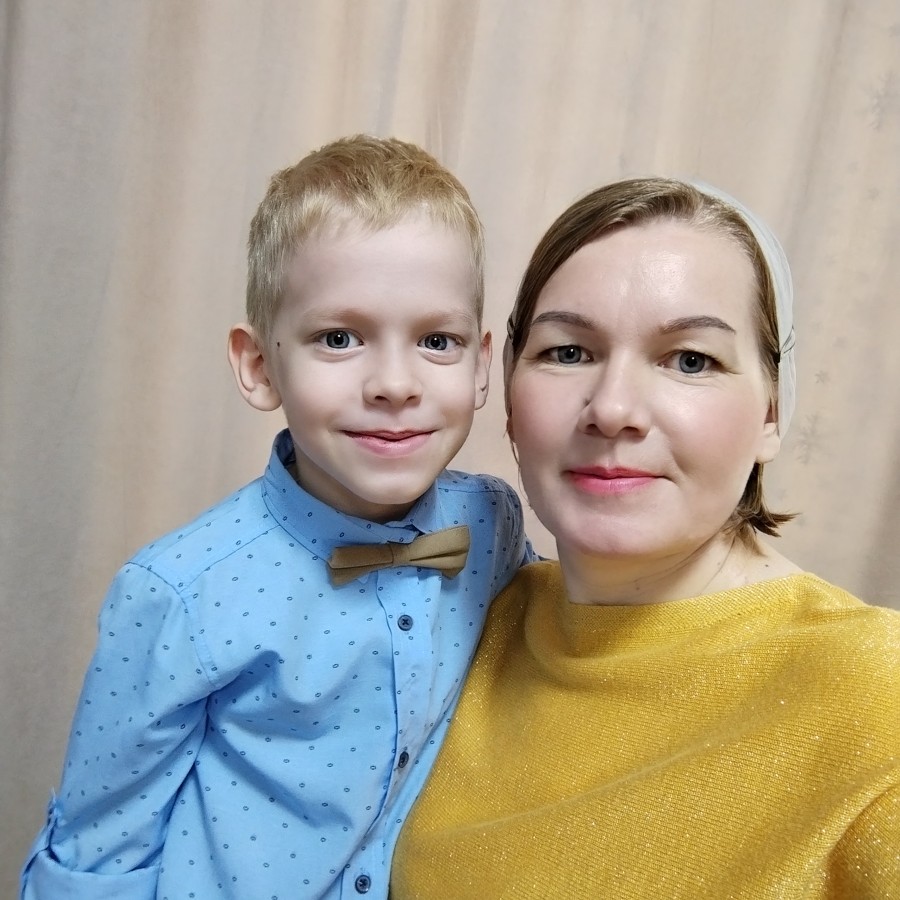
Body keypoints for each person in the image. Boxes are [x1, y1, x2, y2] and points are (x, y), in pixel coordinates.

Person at [21, 135, 533, 900]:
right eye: (339, 338)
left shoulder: (491, 523)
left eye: (437, 341)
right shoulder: (178, 593)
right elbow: (99, 853)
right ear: (260, 366)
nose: (395, 383)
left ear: (481, 364)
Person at [391, 177, 900, 898]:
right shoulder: (464, 619)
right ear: (506, 393)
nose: (613, 409)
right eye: (569, 352)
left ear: (772, 412)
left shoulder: (877, 695)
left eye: (690, 360)